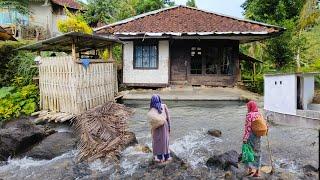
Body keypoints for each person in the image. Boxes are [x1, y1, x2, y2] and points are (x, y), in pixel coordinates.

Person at [243, 100, 266, 177]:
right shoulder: (259, 114)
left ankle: (249, 169)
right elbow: (263, 124)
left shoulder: (249, 115)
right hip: (258, 136)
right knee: (258, 152)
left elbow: (248, 128)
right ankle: (257, 171)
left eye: (248, 107)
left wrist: (245, 138)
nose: (247, 108)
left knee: (248, 151)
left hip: (251, 136)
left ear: (250, 107)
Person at [148, 94, 171, 163]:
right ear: (159, 99)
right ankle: (167, 157)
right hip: (164, 125)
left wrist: (151, 130)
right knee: (165, 140)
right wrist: (169, 127)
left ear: (151, 101)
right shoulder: (164, 106)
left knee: (157, 141)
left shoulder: (151, 110)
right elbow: (168, 118)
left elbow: (151, 121)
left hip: (156, 127)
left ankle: (160, 158)